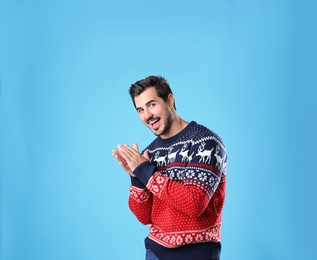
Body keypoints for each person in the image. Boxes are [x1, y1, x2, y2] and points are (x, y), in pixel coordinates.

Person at [112, 76, 227, 260]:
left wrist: (145, 171)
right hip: (155, 253)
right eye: (140, 110)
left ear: (170, 100)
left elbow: (194, 203)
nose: (147, 115)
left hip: (196, 254)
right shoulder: (150, 153)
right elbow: (144, 217)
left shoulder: (206, 143)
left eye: (151, 105)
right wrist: (136, 177)